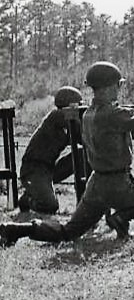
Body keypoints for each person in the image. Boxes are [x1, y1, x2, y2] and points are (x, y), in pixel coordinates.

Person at [0, 61, 134, 246]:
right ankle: (121, 217)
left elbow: (129, 124)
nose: (119, 88)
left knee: (68, 231)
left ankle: (16, 229)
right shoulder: (112, 114)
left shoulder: (88, 114)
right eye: (119, 84)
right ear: (109, 87)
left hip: (95, 186)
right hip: (118, 184)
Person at [17, 86, 83, 214]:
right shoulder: (56, 116)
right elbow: (80, 128)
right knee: (50, 206)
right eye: (77, 105)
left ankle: (84, 200)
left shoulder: (67, 121)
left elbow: (84, 139)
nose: (79, 108)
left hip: (49, 168)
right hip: (33, 169)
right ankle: (27, 200)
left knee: (81, 155)